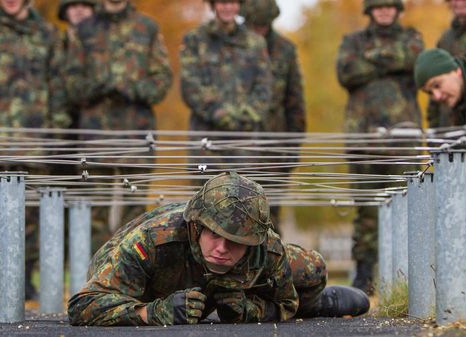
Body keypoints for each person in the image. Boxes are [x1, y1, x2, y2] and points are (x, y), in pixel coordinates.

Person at [67, 172, 369, 326]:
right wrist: (152, 312)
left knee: (313, 270)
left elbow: (286, 304)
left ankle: (315, 305)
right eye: (214, 235)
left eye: (235, 241)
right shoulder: (151, 241)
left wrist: (249, 310)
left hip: (239, 287)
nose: (222, 248)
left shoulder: (267, 249)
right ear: (198, 226)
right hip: (154, 288)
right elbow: (83, 306)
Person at [0, 0, 69, 305]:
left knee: (30, 212)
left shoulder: (46, 33)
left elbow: (58, 87)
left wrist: (56, 137)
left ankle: (25, 279)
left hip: (34, 142)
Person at [62, 0, 172, 247]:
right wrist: (100, 86)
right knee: (94, 214)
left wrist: (130, 88)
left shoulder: (146, 28)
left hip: (136, 135)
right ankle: (95, 279)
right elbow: (70, 83)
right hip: (95, 136)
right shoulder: (85, 29)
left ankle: (130, 278)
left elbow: (162, 80)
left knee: (134, 217)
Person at [336, 0, 424, 294]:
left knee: (410, 205)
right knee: (366, 211)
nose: (384, 11)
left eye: (390, 6)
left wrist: (371, 60)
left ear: (398, 9)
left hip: (404, 137)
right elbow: (346, 72)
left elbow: (414, 62)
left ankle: (412, 274)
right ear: (370, 10)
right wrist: (391, 62)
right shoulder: (353, 41)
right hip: (363, 136)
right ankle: (364, 274)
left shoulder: (412, 37)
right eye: (379, 6)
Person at [180, 0, 272, 166]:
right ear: (213, 4)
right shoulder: (195, 40)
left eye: (232, 2)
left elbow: (264, 86)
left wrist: (246, 114)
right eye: (222, 2)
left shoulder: (255, 43)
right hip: (205, 139)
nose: (227, 8)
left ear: (239, 5)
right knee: (205, 190)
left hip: (244, 140)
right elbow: (190, 85)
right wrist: (218, 113)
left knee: (244, 190)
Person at [241, 0, 306, 231]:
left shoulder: (284, 49)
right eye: (254, 24)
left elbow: (295, 101)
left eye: (263, 25)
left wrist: (292, 147)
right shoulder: (233, 46)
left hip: (273, 148)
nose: (259, 29)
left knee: (269, 218)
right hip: (236, 145)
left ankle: (269, 266)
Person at [415, 48, 466, 118]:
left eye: (437, 85)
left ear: (457, 71)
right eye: (430, 92)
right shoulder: (458, 101)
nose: (437, 96)